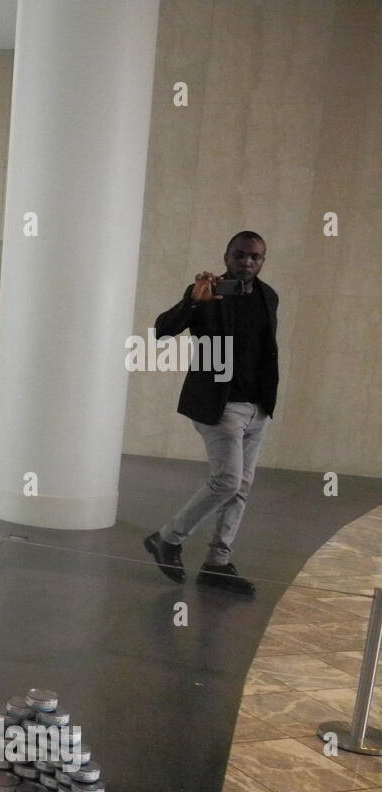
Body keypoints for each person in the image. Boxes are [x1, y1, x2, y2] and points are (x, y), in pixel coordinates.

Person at [143, 231, 278, 597]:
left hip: (257, 408)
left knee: (241, 488)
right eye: (240, 255)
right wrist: (192, 300)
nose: (247, 262)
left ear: (263, 260)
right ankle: (167, 539)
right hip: (220, 405)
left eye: (255, 256)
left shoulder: (269, 296)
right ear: (226, 256)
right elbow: (161, 331)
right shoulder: (207, 293)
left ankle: (218, 562)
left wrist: (265, 402)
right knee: (227, 481)